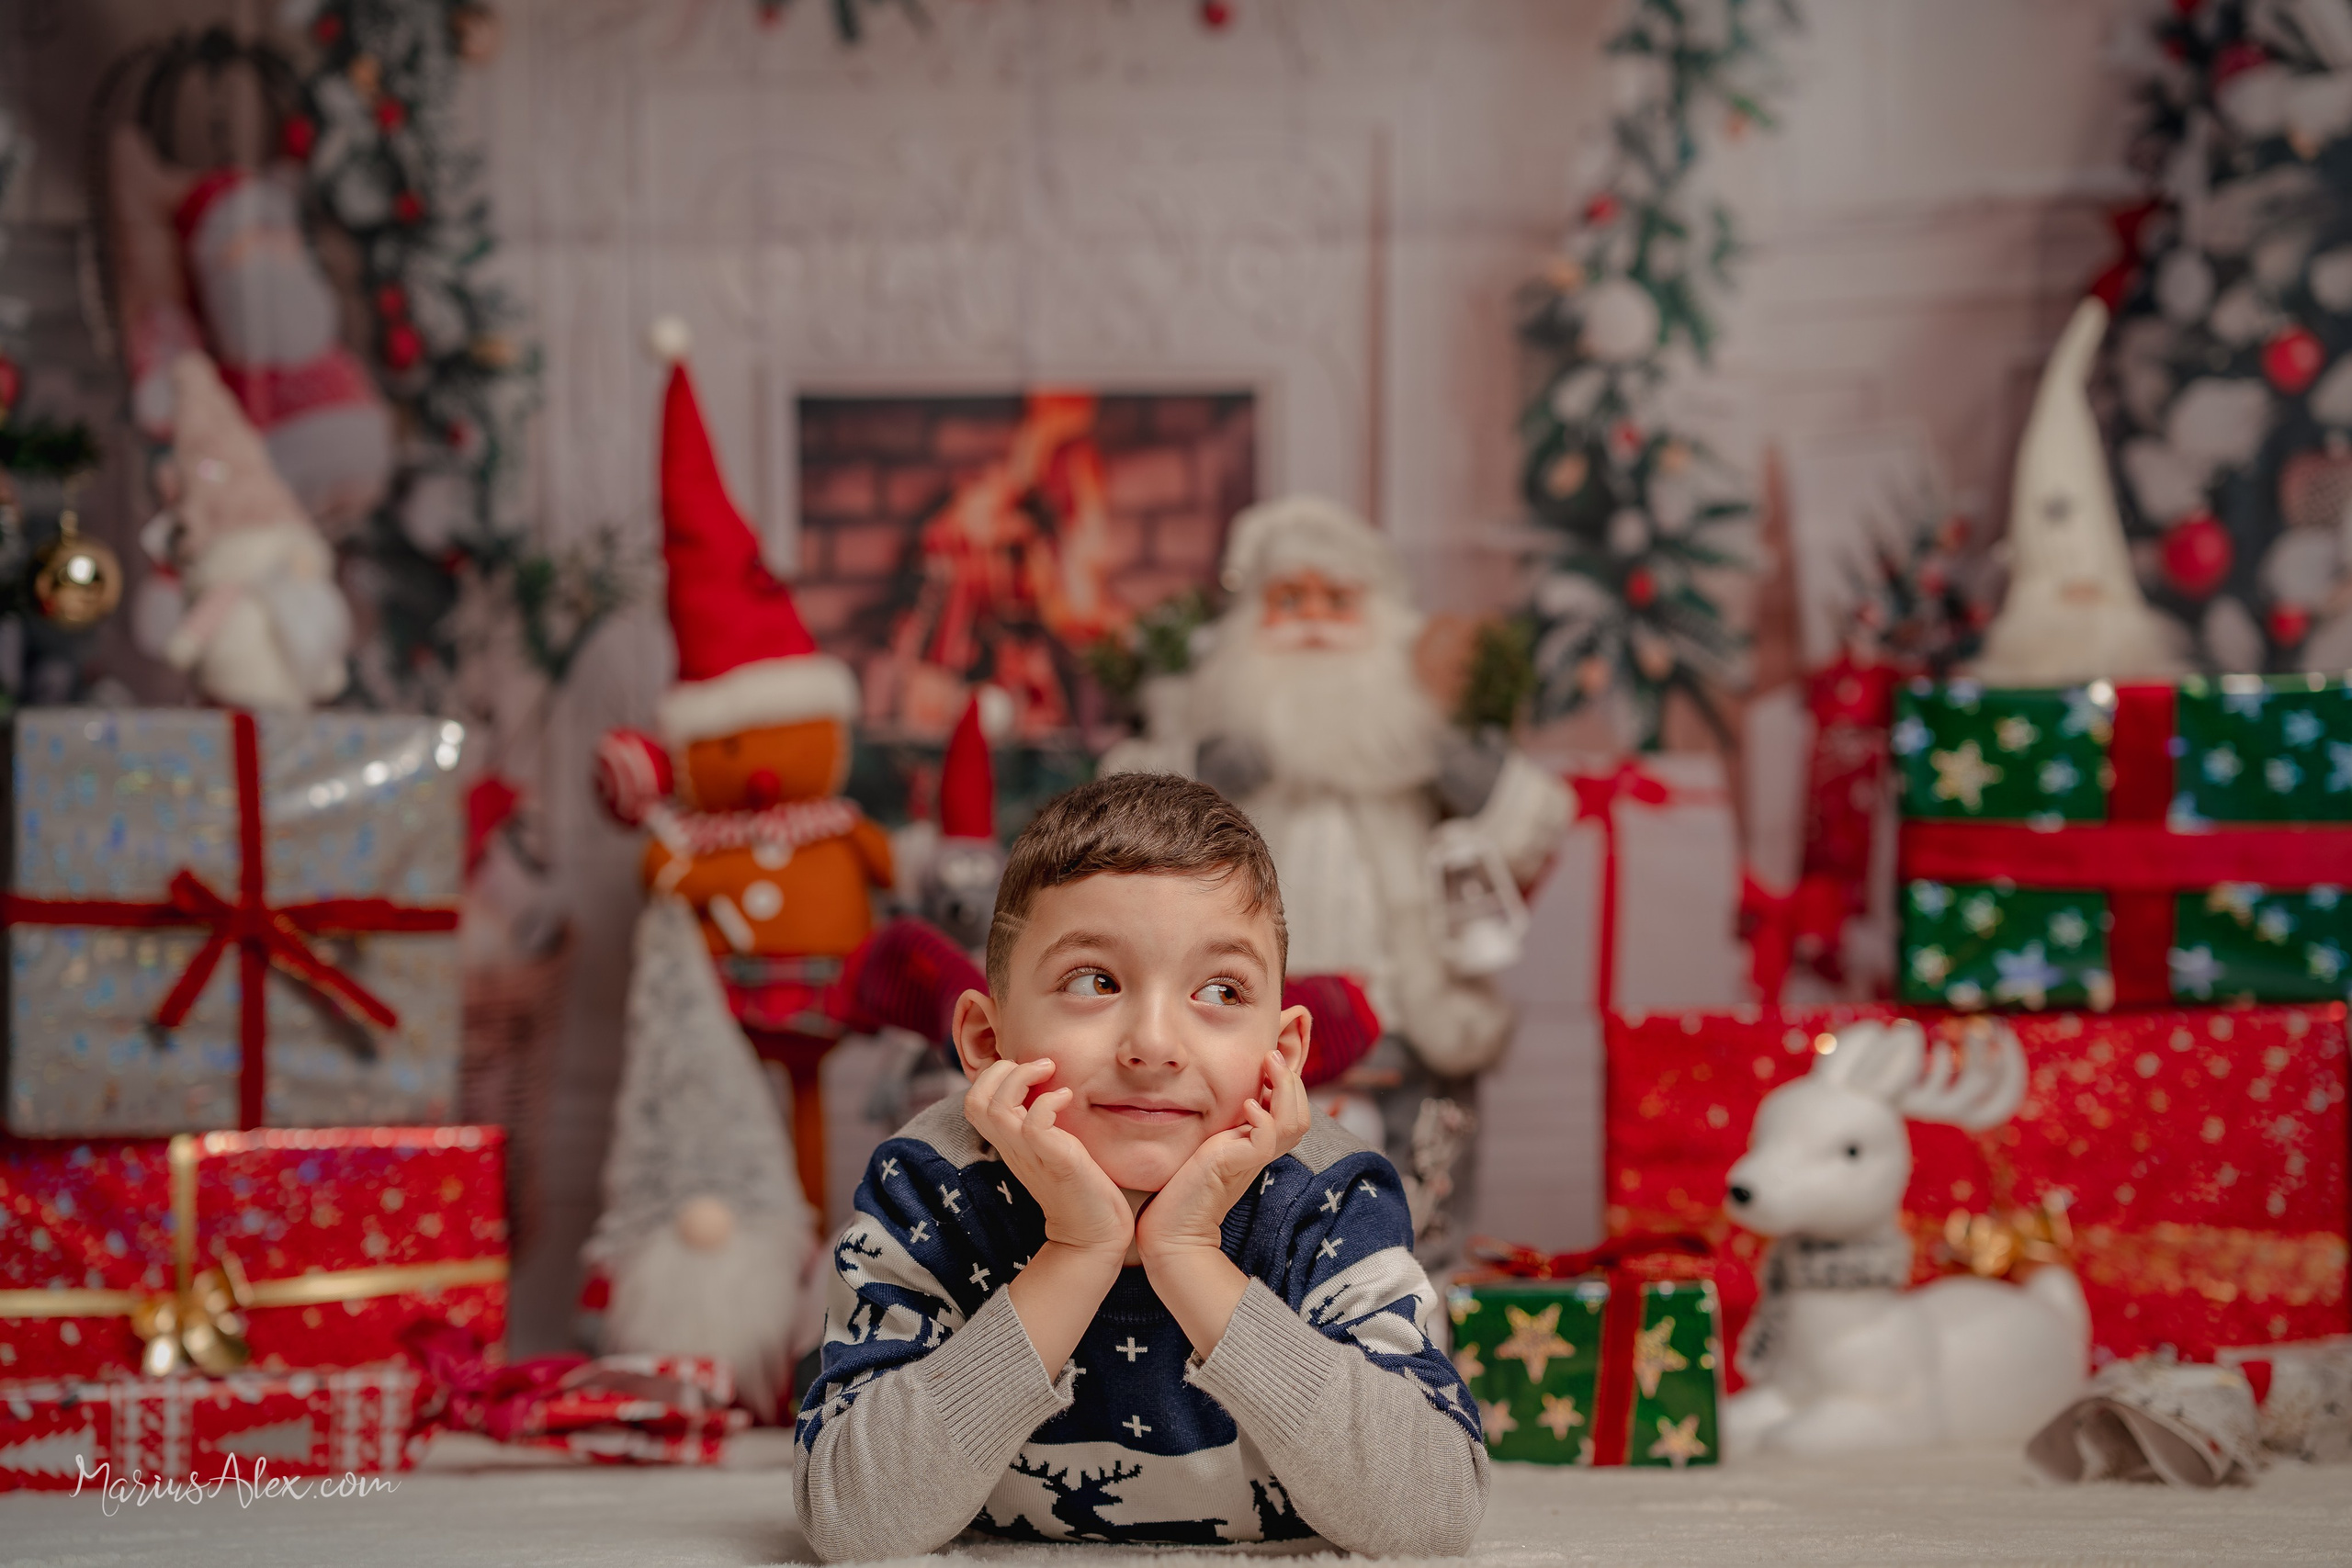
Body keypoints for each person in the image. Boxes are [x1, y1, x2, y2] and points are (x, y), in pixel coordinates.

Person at [793, 773, 1487, 1558]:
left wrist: (1188, 1254)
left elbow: (1434, 1512)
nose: (1154, 1046)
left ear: (1284, 1052)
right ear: (987, 1042)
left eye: (1220, 990)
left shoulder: (1332, 1197)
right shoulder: (929, 1187)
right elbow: (852, 1520)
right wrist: (1077, 1250)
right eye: (1094, 981)